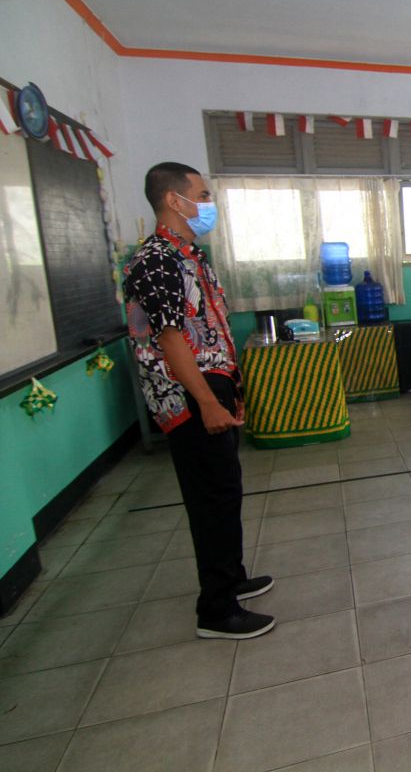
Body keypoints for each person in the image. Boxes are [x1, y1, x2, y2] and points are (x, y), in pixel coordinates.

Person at [123, 162, 274, 639]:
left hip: (214, 383)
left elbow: (213, 327)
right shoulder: (156, 260)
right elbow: (170, 340)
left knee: (226, 488)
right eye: (202, 195)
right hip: (190, 393)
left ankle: (232, 578)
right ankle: (216, 609)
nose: (208, 204)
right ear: (174, 200)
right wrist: (207, 401)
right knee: (210, 497)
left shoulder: (191, 255)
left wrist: (235, 389)